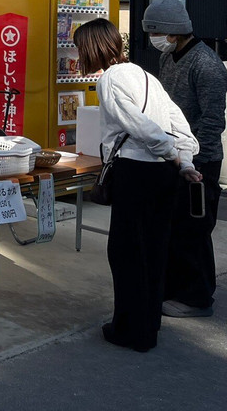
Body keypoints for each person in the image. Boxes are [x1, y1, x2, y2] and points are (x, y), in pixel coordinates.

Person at [72, 18, 201, 352]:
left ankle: (130, 331)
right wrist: (183, 160)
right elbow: (178, 122)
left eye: (79, 47)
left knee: (127, 252)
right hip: (163, 175)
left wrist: (172, 153)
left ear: (91, 47)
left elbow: (140, 126)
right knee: (155, 249)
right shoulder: (145, 75)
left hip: (137, 170)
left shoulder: (110, 80)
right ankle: (148, 325)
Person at [142, 0, 227, 318]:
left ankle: (197, 298)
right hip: (174, 158)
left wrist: (195, 162)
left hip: (199, 161)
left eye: (157, 32)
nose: (154, 39)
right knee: (175, 228)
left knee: (194, 230)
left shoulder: (206, 64)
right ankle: (180, 289)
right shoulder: (169, 57)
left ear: (174, 31)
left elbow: (213, 120)